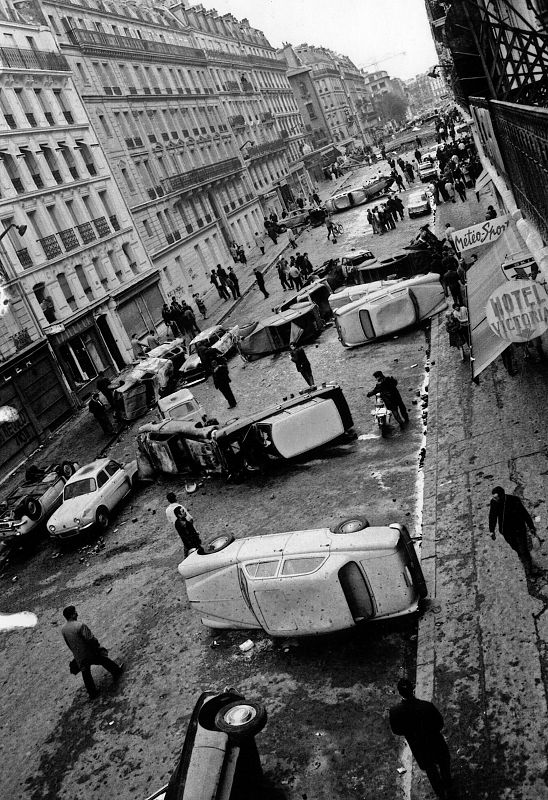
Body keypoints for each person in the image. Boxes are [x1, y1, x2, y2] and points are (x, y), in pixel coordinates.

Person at [389, 678, 452, 800]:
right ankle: (448, 785)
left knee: (431, 771)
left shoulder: (395, 712)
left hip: (419, 747)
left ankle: (441, 794)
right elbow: (439, 724)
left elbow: (396, 730)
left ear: (400, 693)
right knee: (444, 765)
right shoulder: (426, 706)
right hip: (436, 742)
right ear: (413, 689)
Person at [62, 606, 123, 700]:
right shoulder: (80, 625)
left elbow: (68, 644)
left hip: (79, 655)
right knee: (103, 659)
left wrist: (76, 654)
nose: (77, 613)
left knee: (86, 673)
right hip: (89, 652)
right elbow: (90, 639)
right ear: (72, 615)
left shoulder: (64, 629)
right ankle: (117, 671)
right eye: (75, 612)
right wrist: (97, 648)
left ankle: (92, 693)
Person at [489, 486, 538, 572]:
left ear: (502, 496)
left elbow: (524, 513)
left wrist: (531, 526)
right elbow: (492, 516)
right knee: (516, 548)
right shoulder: (494, 502)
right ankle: (523, 557)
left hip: (519, 529)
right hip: (506, 531)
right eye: (493, 497)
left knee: (524, 549)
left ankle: (530, 569)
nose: (494, 499)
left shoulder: (514, 500)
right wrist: (492, 530)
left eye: (496, 497)